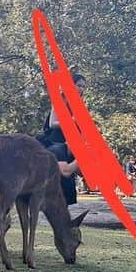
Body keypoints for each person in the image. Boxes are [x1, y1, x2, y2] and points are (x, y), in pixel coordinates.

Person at [37, 70, 86, 205]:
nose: (81, 89)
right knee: (61, 172)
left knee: (69, 176)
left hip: (72, 141)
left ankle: (67, 206)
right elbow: (53, 124)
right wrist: (72, 120)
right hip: (57, 139)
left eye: (83, 87)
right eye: (79, 85)